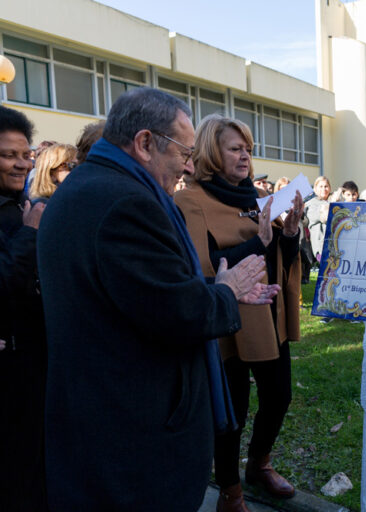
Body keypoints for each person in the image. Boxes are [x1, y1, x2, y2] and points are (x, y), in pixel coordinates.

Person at [37, 88, 278, 512]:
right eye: (184, 151)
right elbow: (178, 313)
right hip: (134, 435)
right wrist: (227, 291)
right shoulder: (127, 203)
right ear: (145, 142)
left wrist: (215, 287)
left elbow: (138, 291)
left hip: (98, 416)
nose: (189, 165)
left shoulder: (86, 187)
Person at [175, 114, 303, 509]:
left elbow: (280, 257)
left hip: (268, 314)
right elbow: (203, 268)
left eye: (247, 148)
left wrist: (289, 234)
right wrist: (257, 244)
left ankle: (259, 464)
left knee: (279, 396)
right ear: (212, 152)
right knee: (233, 409)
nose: (245, 156)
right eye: (235, 148)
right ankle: (230, 490)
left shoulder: (257, 198)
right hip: (228, 318)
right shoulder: (190, 201)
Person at [0, 106, 47, 512]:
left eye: (26, 154)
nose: (22, 164)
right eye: (8, 155)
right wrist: (31, 234)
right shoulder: (26, 216)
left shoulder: (23, 203)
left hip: (34, 363)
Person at [306, 176, 331, 263]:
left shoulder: (332, 202)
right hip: (321, 247)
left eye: (326, 186)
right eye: (321, 186)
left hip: (335, 246)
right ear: (315, 189)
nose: (324, 189)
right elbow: (324, 217)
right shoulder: (311, 204)